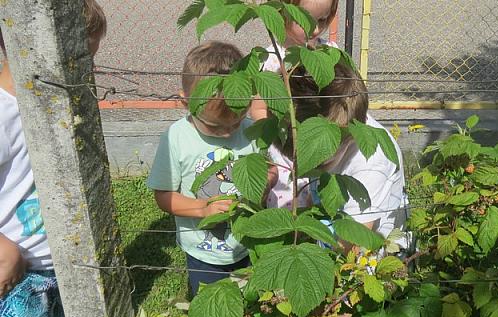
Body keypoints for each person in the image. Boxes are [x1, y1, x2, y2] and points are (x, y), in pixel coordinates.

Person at [0, 1, 106, 317]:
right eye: (78, 58)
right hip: (18, 275)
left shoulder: (59, 103)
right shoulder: (2, 116)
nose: (87, 70)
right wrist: (4, 249)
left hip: (62, 263)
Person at [147, 41, 258, 297]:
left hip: (247, 243)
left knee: (250, 303)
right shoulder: (176, 137)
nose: (228, 132)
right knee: (211, 306)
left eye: (237, 121)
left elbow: (264, 171)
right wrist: (202, 209)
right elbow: (163, 195)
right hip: (202, 250)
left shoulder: (251, 131)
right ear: (185, 103)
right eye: (214, 127)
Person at [273, 63, 410, 252]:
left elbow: (356, 242)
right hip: (332, 234)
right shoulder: (326, 140)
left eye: (318, 161)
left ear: (350, 136)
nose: (308, 166)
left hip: (371, 256)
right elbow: (316, 195)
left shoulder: (371, 162)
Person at [251, 0, 339, 209]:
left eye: (323, 19)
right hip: (283, 147)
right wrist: (279, 139)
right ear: (282, 15)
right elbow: (259, 109)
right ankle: (290, 232)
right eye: (307, 22)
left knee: (322, 199)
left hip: (318, 143)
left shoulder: (329, 53)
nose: (316, 28)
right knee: (289, 200)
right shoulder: (270, 60)